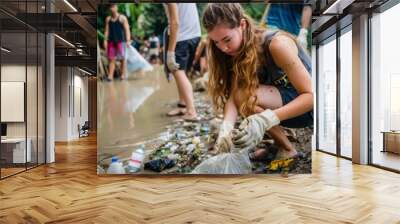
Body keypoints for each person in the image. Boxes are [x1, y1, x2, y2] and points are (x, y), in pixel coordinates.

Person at [202, 3, 313, 160]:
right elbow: (234, 97)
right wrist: (225, 130)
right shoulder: (236, 51)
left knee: (247, 97)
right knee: (242, 95)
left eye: (227, 39)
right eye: (216, 42)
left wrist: (267, 119)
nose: (223, 48)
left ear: (242, 24)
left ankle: (285, 147)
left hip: (310, 110)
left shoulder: (277, 44)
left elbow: (311, 96)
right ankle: (282, 145)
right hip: (285, 103)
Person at [163, 3, 201, 121]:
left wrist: (170, 52)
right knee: (182, 73)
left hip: (181, 36)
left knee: (177, 71)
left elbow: (175, 22)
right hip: (194, 35)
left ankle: (191, 111)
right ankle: (182, 105)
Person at [104, 4, 131, 81]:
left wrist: (128, 40)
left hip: (121, 41)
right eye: (110, 7)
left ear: (116, 7)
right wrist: (105, 40)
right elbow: (106, 30)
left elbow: (127, 29)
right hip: (111, 42)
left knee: (122, 59)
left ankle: (122, 75)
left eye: (113, 7)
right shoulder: (108, 19)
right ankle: (110, 76)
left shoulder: (122, 18)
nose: (111, 9)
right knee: (111, 59)